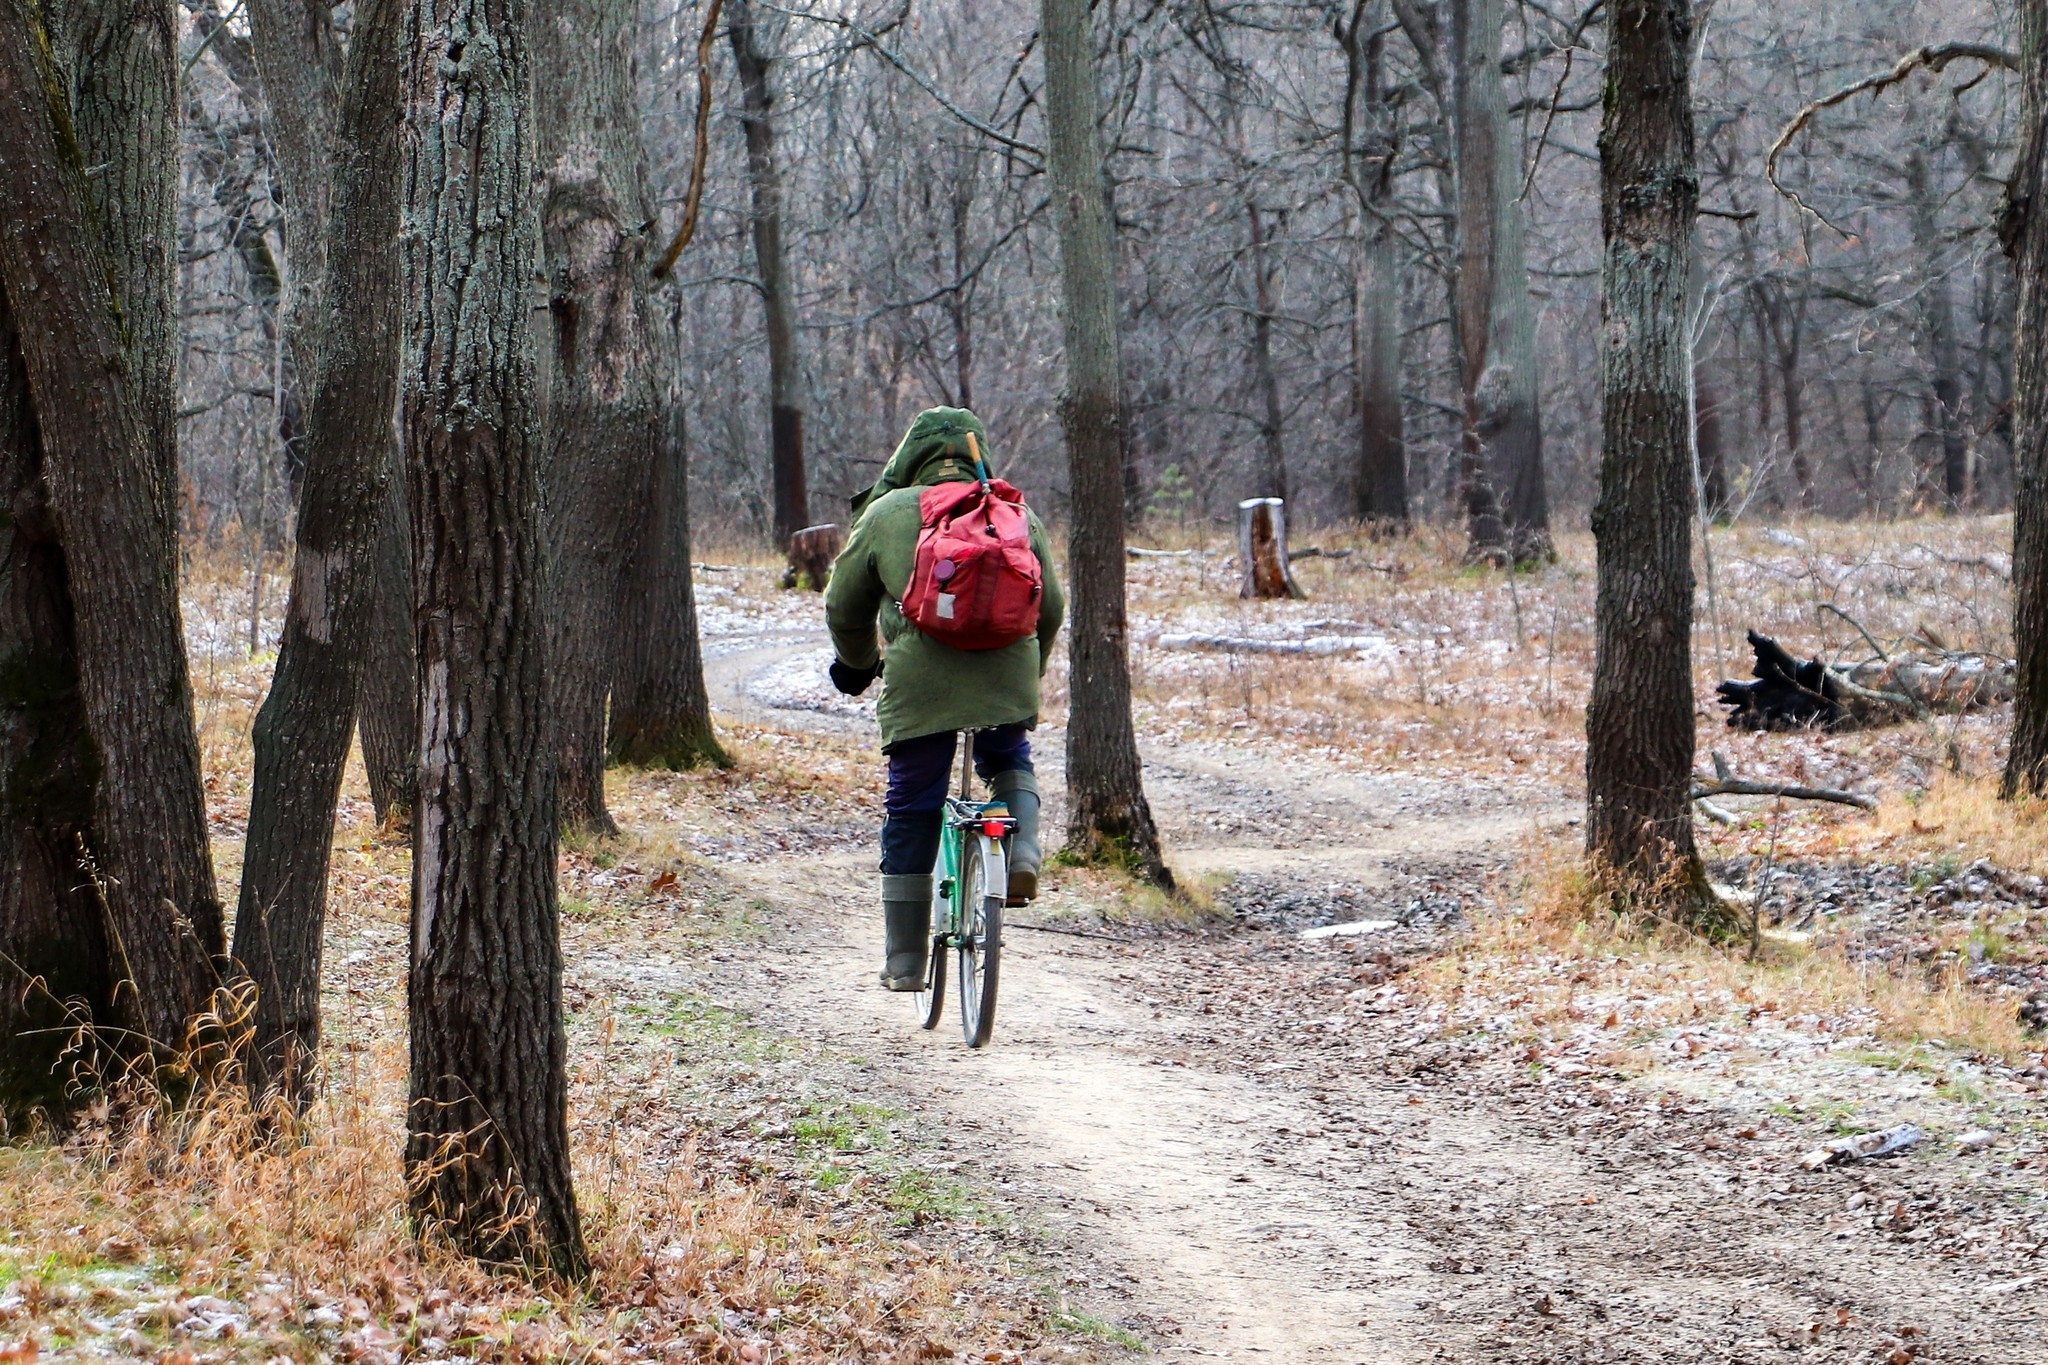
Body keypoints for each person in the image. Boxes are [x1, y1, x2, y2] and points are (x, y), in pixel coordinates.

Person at [825, 408, 1065, 990]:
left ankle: (905, 959)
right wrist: (1027, 673)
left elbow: (843, 604)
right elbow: (1051, 605)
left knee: (912, 801)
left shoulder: (887, 513)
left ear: (910, 457)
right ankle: (1023, 850)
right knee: (1008, 758)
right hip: (1005, 676)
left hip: (921, 687)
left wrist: (857, 666)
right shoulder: (1012, 511)